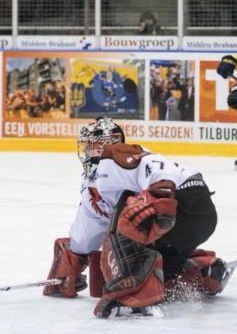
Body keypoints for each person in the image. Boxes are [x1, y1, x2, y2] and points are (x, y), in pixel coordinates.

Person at [42, 117, 227, 318]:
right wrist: (71, 263)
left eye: (101, 144)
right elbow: (89, 227)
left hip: (183, 201)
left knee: (126, 223)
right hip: (195, 220)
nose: (95, 150)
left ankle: (135, 293)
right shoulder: (91, 186)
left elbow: (155, 167)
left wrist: (161, 193)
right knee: (162, 277)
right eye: (91, 145)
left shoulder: (114, 158)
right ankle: (200, 271)